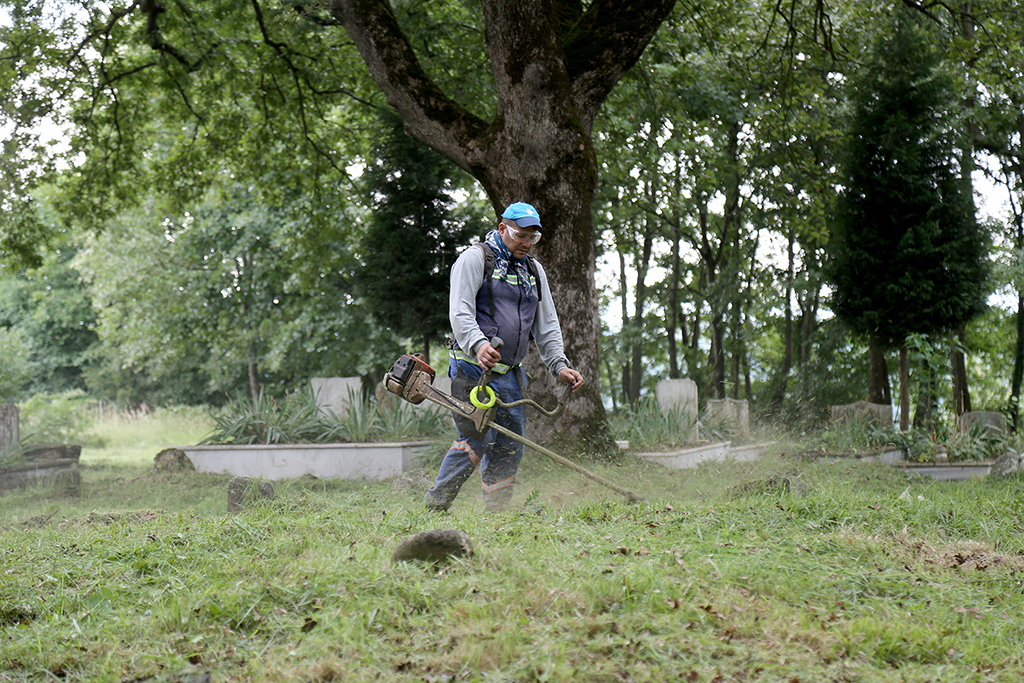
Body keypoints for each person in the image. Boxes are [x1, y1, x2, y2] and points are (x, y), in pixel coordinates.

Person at [424, 202, 584, 512]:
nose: (526, 244)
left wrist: (559, 365)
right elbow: (460, 312)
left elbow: (546, 324)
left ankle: (496, 512)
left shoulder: (533, 271)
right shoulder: (474, 260)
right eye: (520, 236)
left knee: (510, 444)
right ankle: (436, 504)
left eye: (532, 238)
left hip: (510, 373)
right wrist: (478, 344)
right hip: (473, 368)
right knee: (476, 435)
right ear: (502, 229)